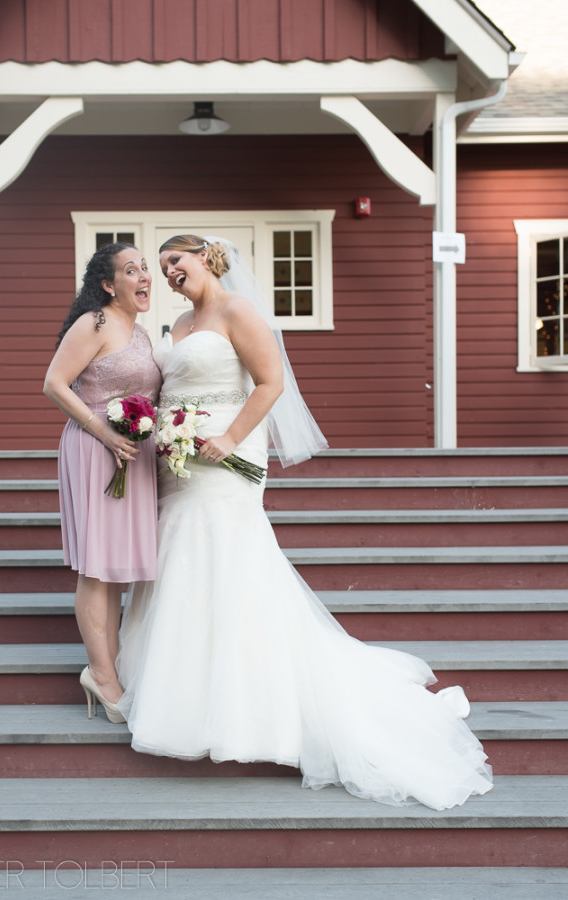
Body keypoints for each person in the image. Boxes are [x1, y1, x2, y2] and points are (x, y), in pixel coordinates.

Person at [115, 234, 493, 810]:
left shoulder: (238, 311)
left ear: (206, 258)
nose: (168, 273)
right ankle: (185, 691)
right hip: (179, 458)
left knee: (228, 559)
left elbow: (271, 382)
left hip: (226, 454)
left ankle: (247, 704)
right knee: (181, 557)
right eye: (162, 266)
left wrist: (229, 439)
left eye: (176, 261)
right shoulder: (182, 325)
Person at [44, 243, 161, 724]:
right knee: (96, 568)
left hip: (130, 452)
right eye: (130, 270)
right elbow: (54, 383)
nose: (143, 276)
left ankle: (111, 669)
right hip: (96, 449)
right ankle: (101, 674)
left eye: (145, 268)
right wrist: (103, 433)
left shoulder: (143, 332)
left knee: (115, 567)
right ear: (109, 285)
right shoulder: (94, 322)